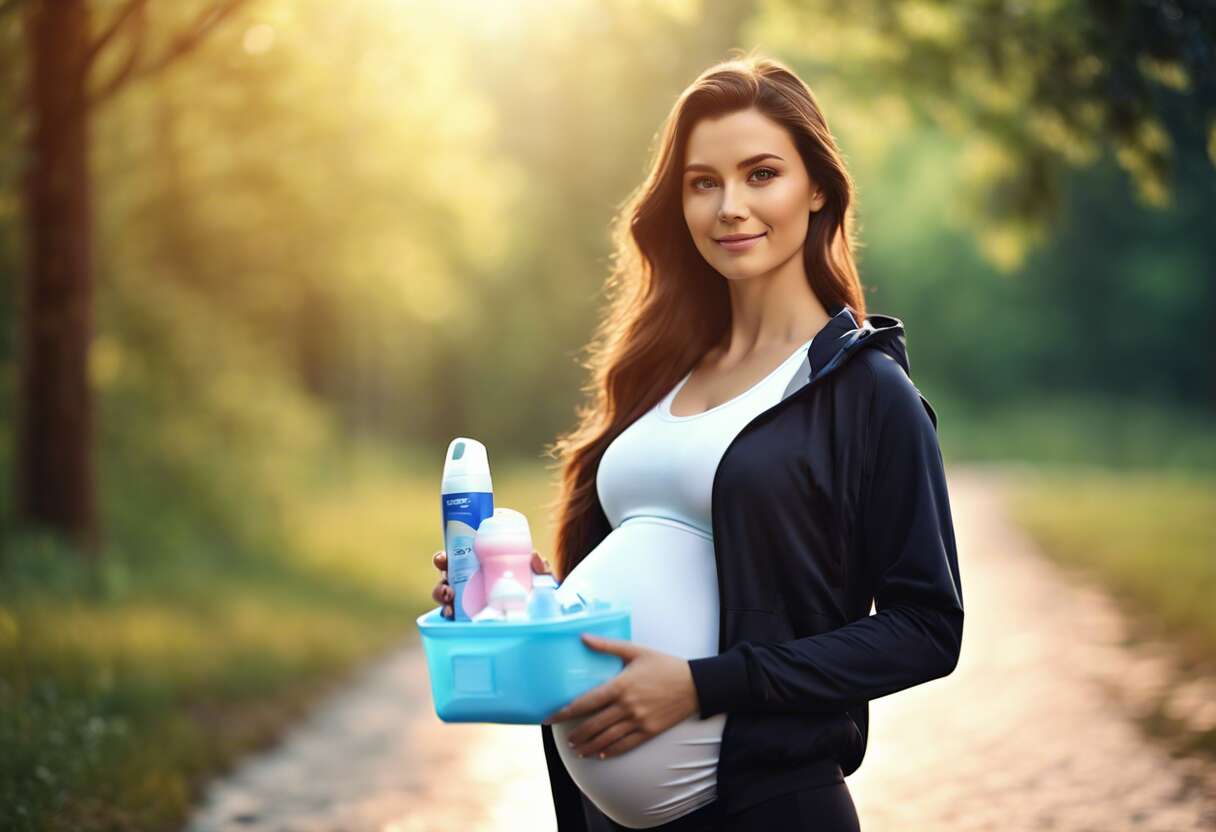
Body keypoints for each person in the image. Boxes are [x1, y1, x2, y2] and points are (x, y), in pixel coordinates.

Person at [431, 49, 964, 831]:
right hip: (607, 815)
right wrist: (524, 596)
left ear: (817, 186)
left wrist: (703, 684)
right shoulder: (659, 371)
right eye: (703, 183)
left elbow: (927, 630)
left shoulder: (866, 393)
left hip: (768, 807)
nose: (729, 208)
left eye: (761, 174)